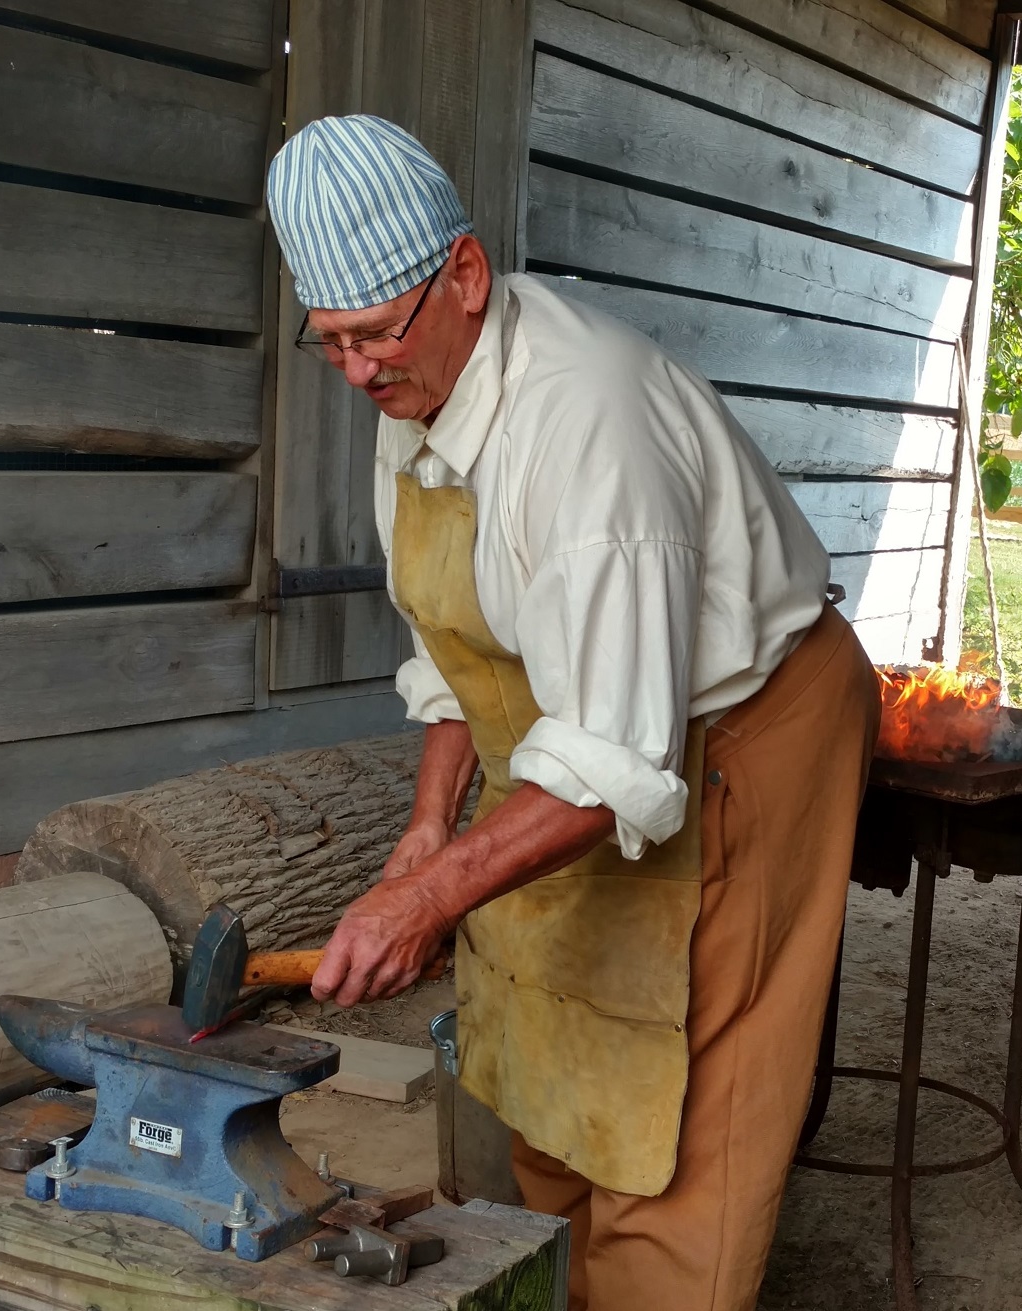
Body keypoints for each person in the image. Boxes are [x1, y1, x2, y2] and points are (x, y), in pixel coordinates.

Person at [266, 115, 880, 1311]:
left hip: (745, 725)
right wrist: (430, 831)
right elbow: (459, 642)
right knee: (552, 1033)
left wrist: (427, 901)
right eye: (328, 342)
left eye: (375, 334)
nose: (356, 372)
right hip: (572, 727)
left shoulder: (586, 424)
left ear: (464, 274)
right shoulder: (410, 392)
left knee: (686, 1089)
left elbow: (613, 754)